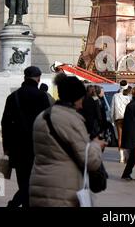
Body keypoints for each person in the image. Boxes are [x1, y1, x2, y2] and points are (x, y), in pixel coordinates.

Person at [30, 74, 105, 207]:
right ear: (74, 99)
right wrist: (96, 145)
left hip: (40, 186)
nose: (82, 105)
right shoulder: (71, 120)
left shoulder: (42, 117)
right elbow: (89, 160)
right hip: (63, 190)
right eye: (81, 100)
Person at [1, 66, 50, 207]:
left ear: (24, 77)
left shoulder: (13, 97)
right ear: (38, 78)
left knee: (23, 182)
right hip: (37, 146)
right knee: (34, 183)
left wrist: (6, 146)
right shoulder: (42, 96)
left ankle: (17, 204)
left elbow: (5, 123)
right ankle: (14, 204)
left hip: (17, 147)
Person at [111, 80, 131, 163]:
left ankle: (121, 157)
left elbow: (112, 108)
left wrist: (112, 119)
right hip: (128, 118)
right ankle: (127, 156)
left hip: (118, 118)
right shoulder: (129, 96)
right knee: (128, 137)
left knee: (120, 137)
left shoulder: (115, 96)